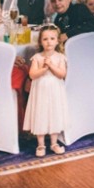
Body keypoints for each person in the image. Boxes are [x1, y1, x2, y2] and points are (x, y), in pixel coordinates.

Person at [23, 25, 69, 157]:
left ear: (57, 41)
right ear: (40, 42)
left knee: (54, 114)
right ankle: (41, 144)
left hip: (55, 90)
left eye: (52, 38)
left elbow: (62, 74)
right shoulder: (37, 57)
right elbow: (32, 75)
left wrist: (51, 65)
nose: (49, 41)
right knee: (41, 114)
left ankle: (54, 143)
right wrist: (43, 68)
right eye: (45, 39)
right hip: (41, 91)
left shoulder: (60, 57)